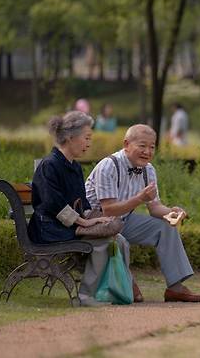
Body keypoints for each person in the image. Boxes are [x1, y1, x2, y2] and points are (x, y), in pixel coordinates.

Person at [85, 124, 200, 302]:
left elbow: (154, 207)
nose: (147, 152)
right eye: (142, 146)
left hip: (122, 221)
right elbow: (108, 209)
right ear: (126, 144)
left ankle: (175, 288)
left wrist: (171, 212)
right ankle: (126, 280)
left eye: (152, 147)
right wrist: (139, 199)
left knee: (166, 228)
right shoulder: (108, 166)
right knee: (134, 297)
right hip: (96, 224)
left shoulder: (148, 170)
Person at [28, 111, 133, 307]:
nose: (89, 143)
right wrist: (84, 222)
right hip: (49, 229)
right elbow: (52, 203)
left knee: (119, 239)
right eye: (87, 138)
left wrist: (96, 218)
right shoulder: (49, 165)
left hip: (66, 226)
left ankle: (117, 292)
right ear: (70, 137)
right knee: (102, 243)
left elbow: (82, 202)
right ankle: (86, 296)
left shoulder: (74, 167)